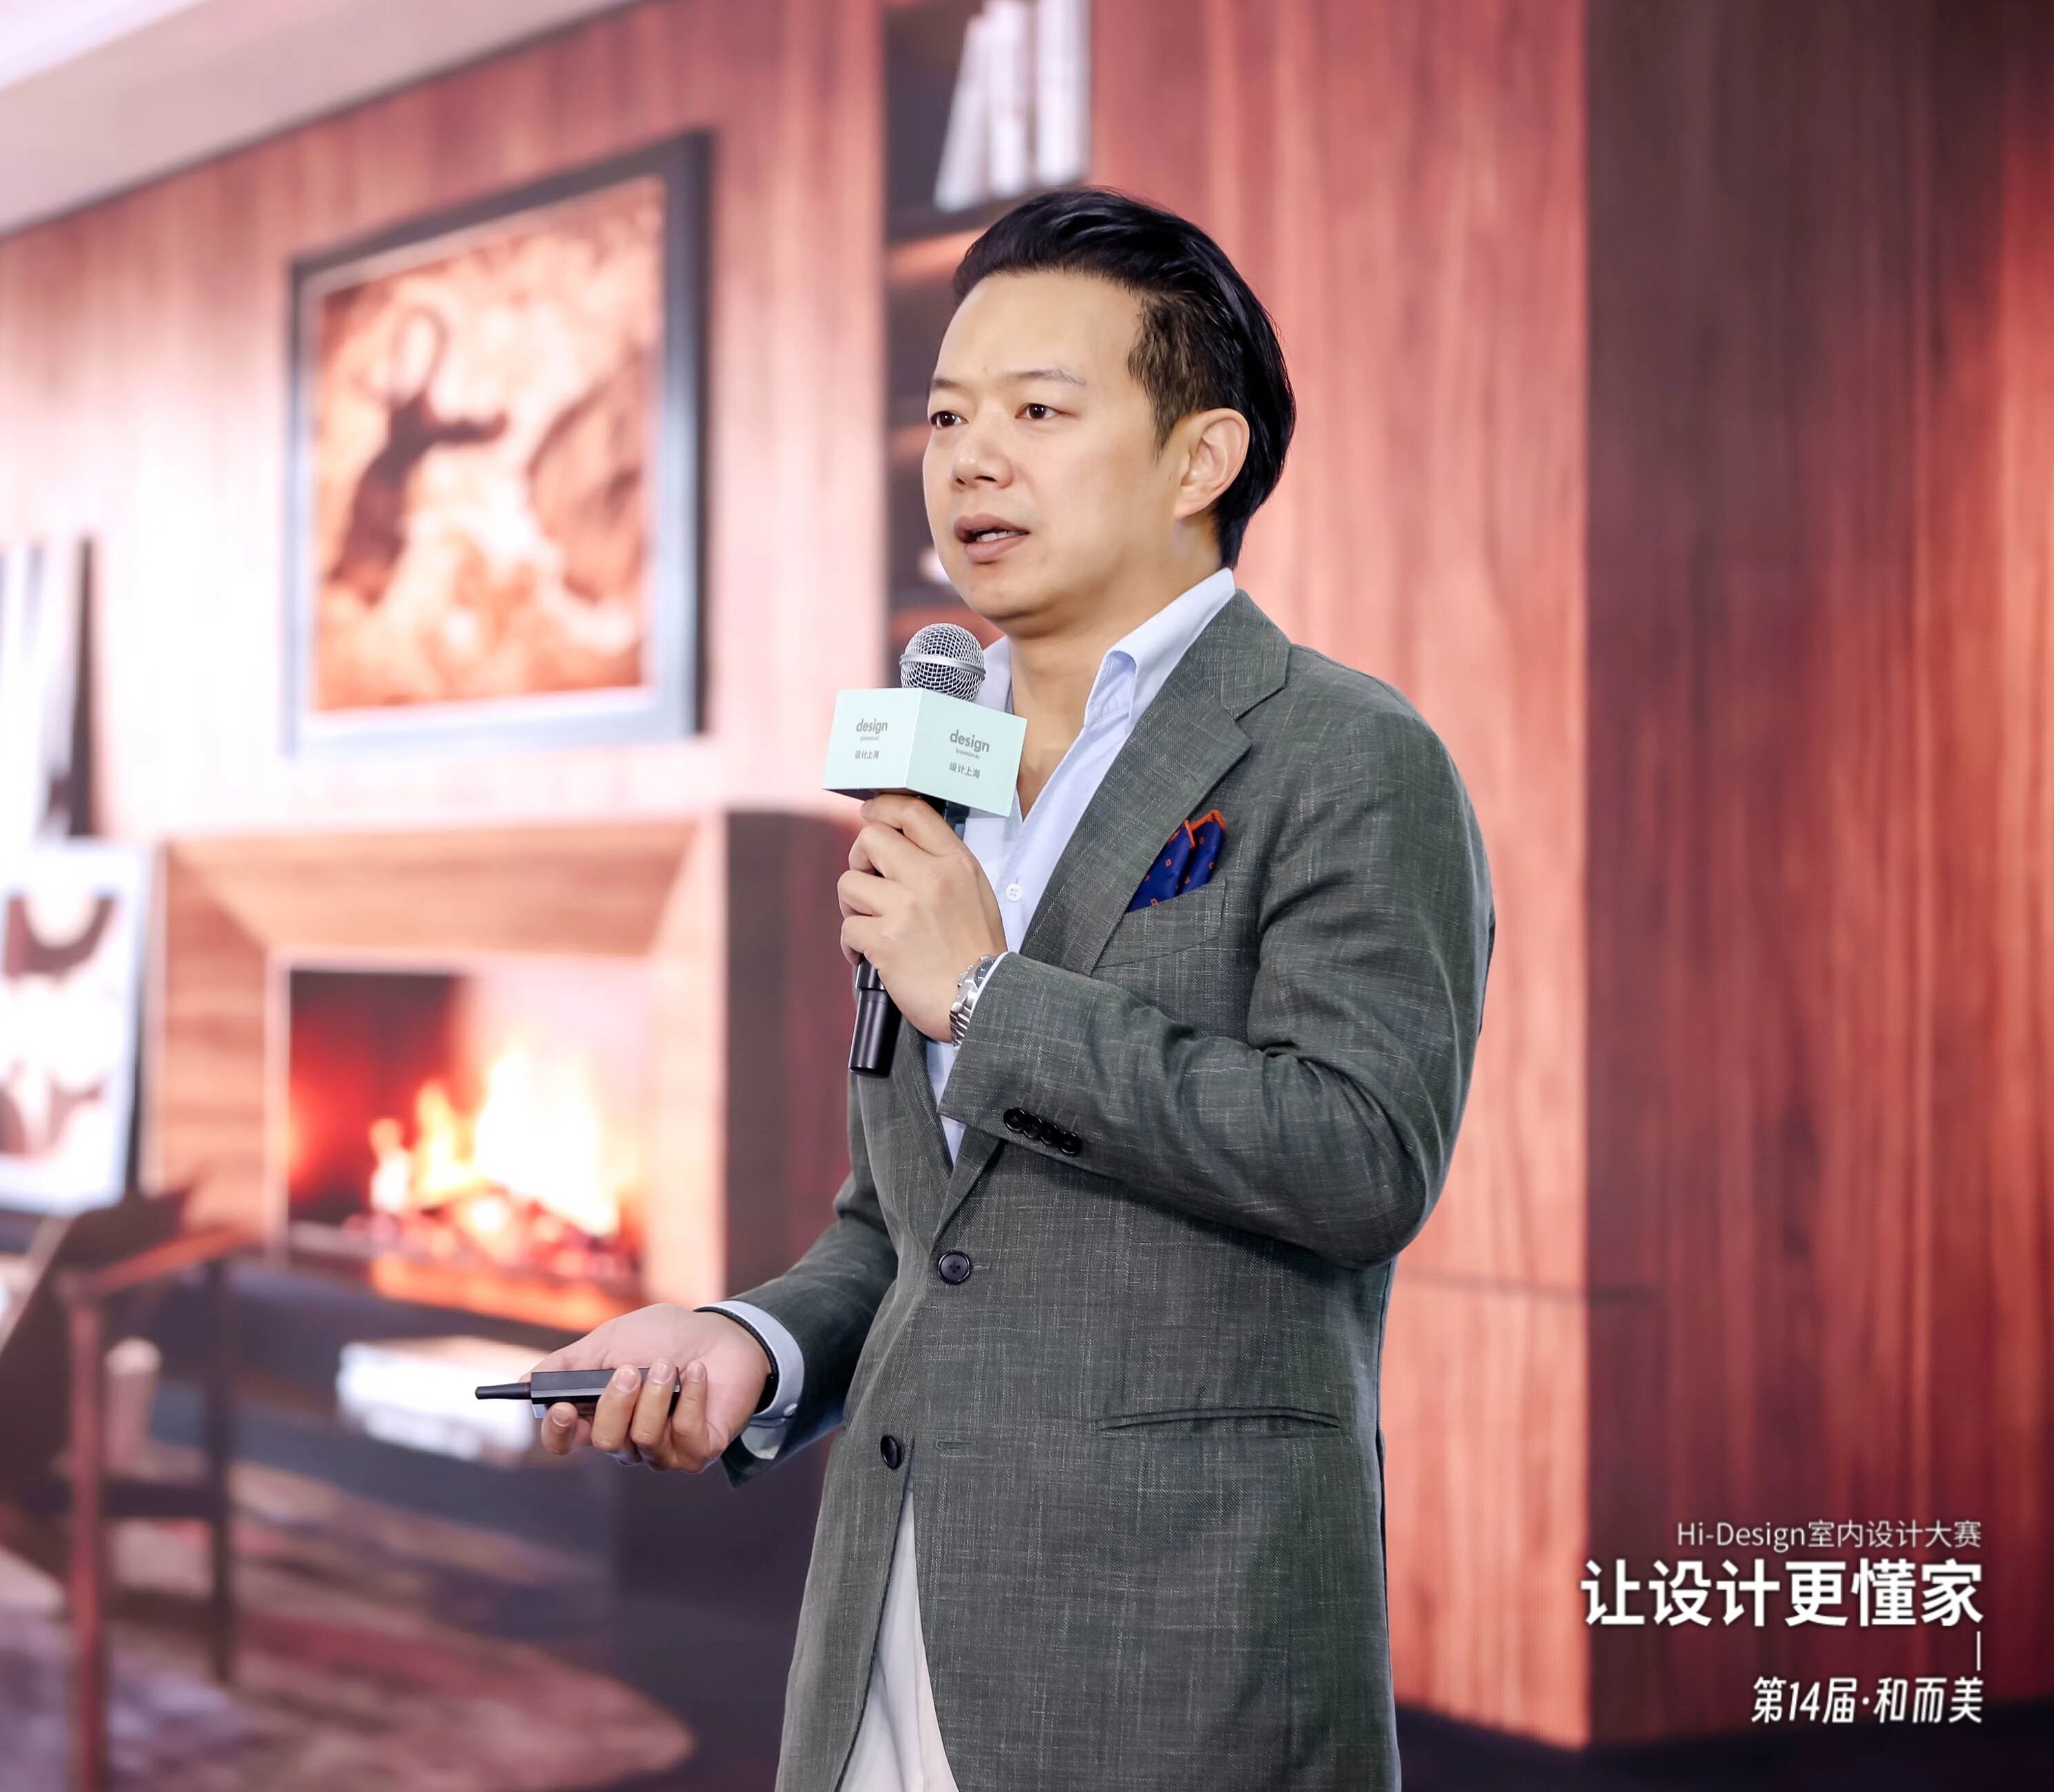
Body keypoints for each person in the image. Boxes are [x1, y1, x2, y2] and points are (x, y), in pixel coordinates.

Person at [532, 186, 1493, 1791]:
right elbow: (918, 1229)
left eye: (1039, 412)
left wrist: (986, 996)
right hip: (884, 1629)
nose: (972, 457)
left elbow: (1361, 1156)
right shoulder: (944, 763)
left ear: (1201, 458)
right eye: (949, 416)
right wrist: (749, 1344)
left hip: (1180, 1657)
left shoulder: (1344, 753)